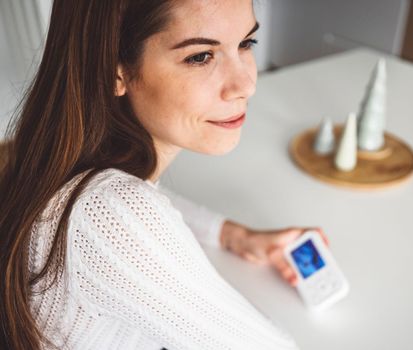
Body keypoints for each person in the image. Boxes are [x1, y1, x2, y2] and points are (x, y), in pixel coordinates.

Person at [0, 0, 329, 349]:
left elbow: (122, 212)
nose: (245, 85)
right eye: (200, 56)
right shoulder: (114, 216)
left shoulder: (50, 155)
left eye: (246, 43)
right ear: (115, 70)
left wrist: (233, 235)